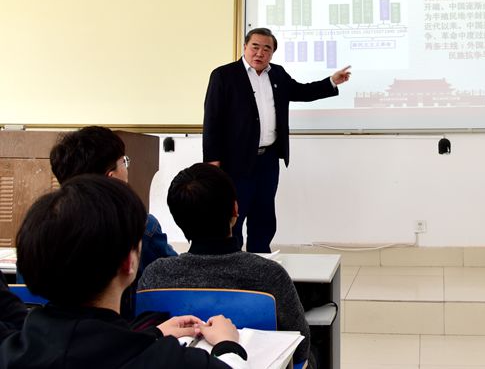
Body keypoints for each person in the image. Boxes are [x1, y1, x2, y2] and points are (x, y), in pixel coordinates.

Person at [0, 174, 248, 369]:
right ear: (128, 263)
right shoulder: (168, 361)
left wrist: (150, 334)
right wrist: (228, 345)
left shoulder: (11, 350)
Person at [140, 163, 315, 369]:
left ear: (178, 220)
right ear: (235, 209)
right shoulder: (268, 274)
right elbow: (301, 349)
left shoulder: (155, 275)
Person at [203, 27, 351, 252]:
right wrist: (212, 163)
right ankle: (232, 262)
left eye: (266, 49)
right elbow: (212, 120)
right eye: (255, 47)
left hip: (268, 160)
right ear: (245, 47)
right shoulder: (224, 75)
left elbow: (302, 92)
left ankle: (261, 261)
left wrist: (331, 81)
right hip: (235, 162)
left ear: (272, 53)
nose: (260, 53)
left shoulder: (278, 74)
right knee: (233, 217)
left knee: (263, 216)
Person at [49, 125, 177, 317]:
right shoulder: (139, 226)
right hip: (124, 327)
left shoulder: (43, 227)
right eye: (124, 161)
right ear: (112, 177)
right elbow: (174, 274)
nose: (127, 168)